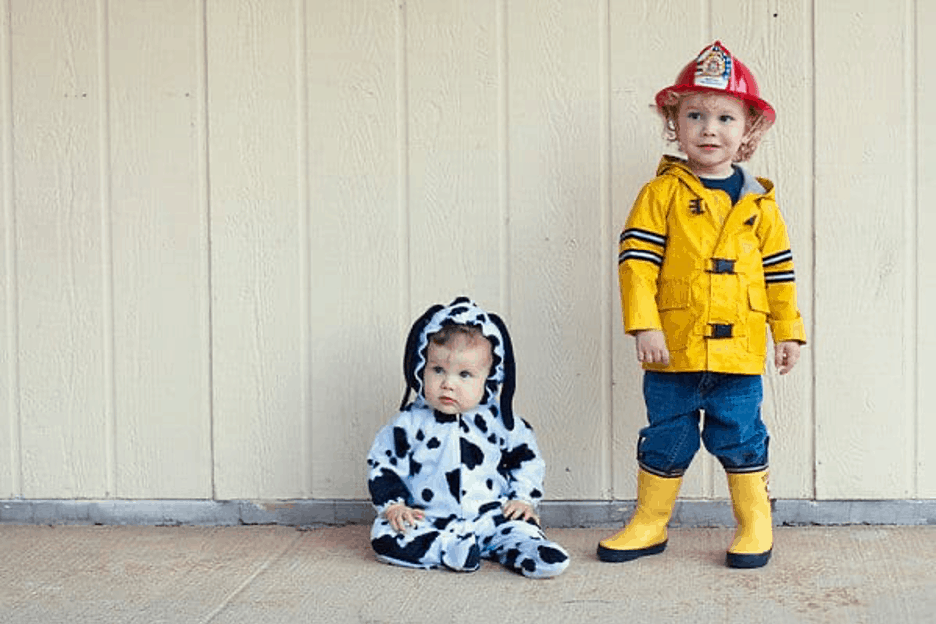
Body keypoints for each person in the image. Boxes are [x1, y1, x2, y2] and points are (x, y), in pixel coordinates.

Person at [597, 41, 806, 569]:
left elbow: (779, 273)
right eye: (695, 115)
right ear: (675, 123)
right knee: (667, 436)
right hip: (673, 349)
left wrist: (788, 331)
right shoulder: (659, 194)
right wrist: (644, 326)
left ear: (749, 129)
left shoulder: (761, 203)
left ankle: (755, 521)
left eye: (724, 116)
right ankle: (650, 522)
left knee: (741, 436)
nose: (709, 129)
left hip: (738, 352)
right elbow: (637, 265)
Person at [367, 297, 570, 578]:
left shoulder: (502, 423)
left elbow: (527, 460)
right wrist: (394, 505)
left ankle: (529, 551)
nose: (448, 383)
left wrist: (523, 499)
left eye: (465, 374)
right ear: (420, 368)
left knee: (519, 525)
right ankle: (446, 548)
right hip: (429, 519)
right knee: (384, 534)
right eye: (437, 370)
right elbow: (384, 466)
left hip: (491, 517)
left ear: (489, 378)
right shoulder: (408, 424)